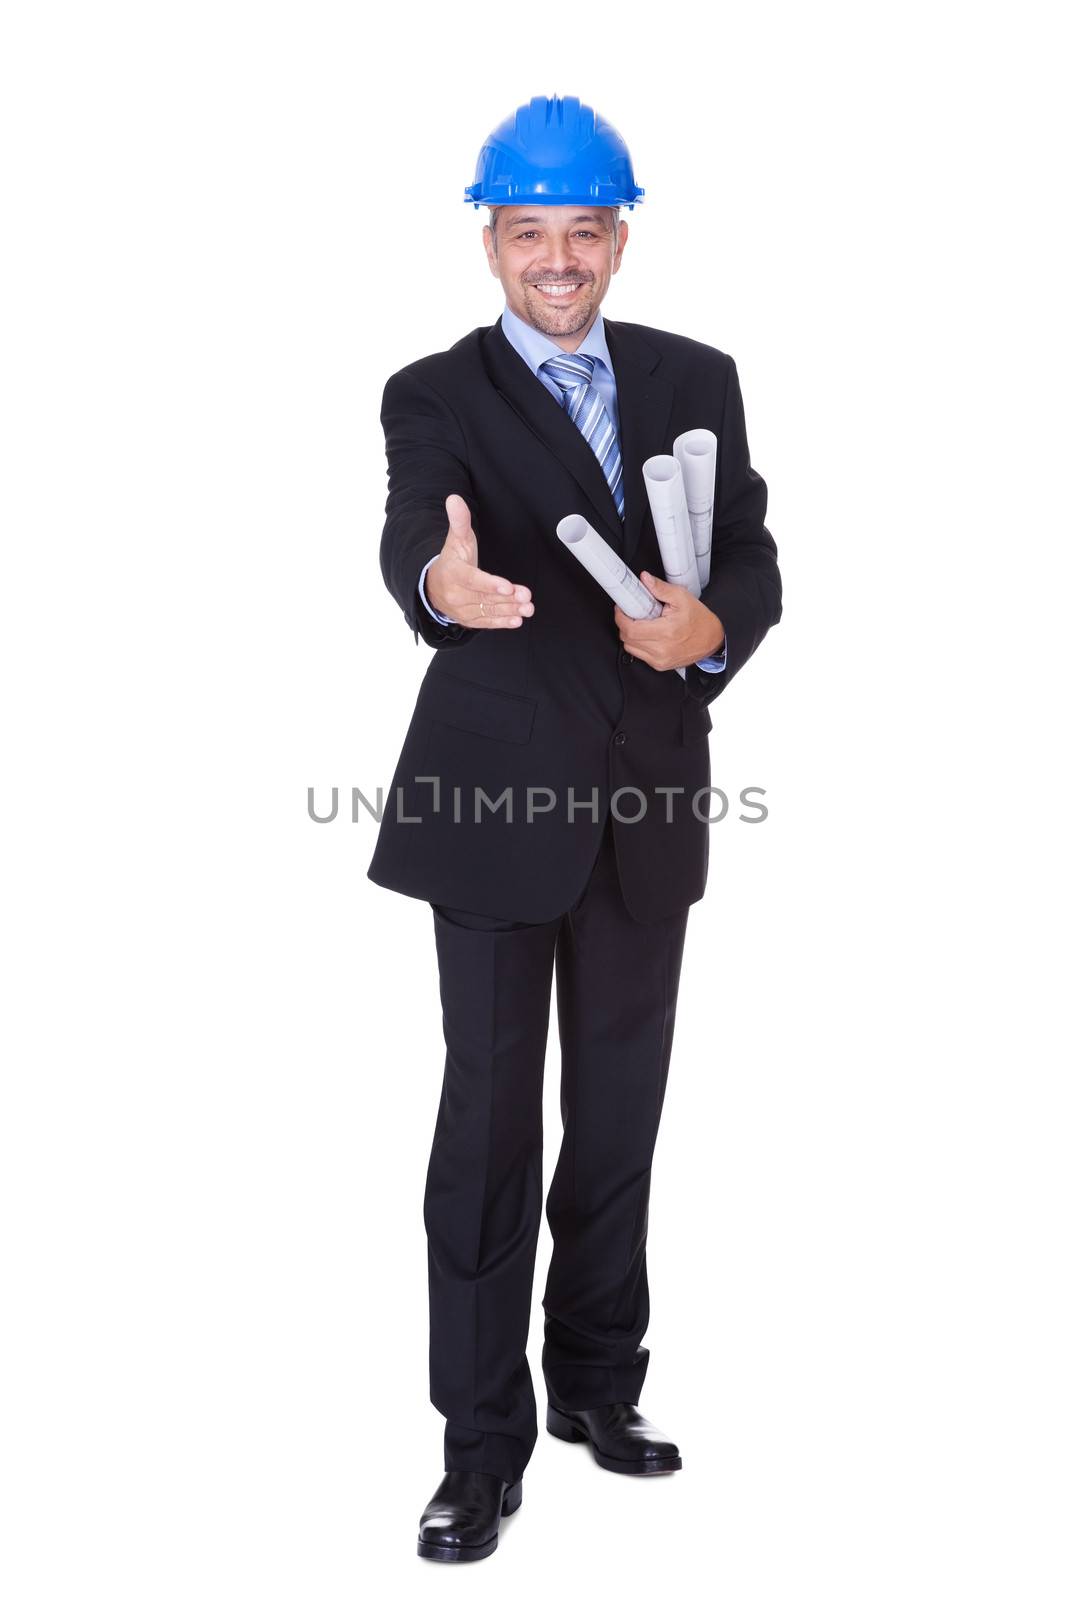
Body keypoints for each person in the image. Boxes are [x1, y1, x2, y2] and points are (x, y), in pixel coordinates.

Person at [366, 94, 782, 1562]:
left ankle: (597, 1389)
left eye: (584, 232)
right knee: (489, 1130)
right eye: (529, 232)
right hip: (492, 804)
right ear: (491, 240)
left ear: (619, 237)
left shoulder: (696, 377)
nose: (558, 259)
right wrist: (441, 588)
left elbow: (748, 555)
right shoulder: (438, 390)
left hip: (650, 799)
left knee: (616, 1124)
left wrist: (712, 625)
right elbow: (418, 526)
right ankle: (478, 1449)